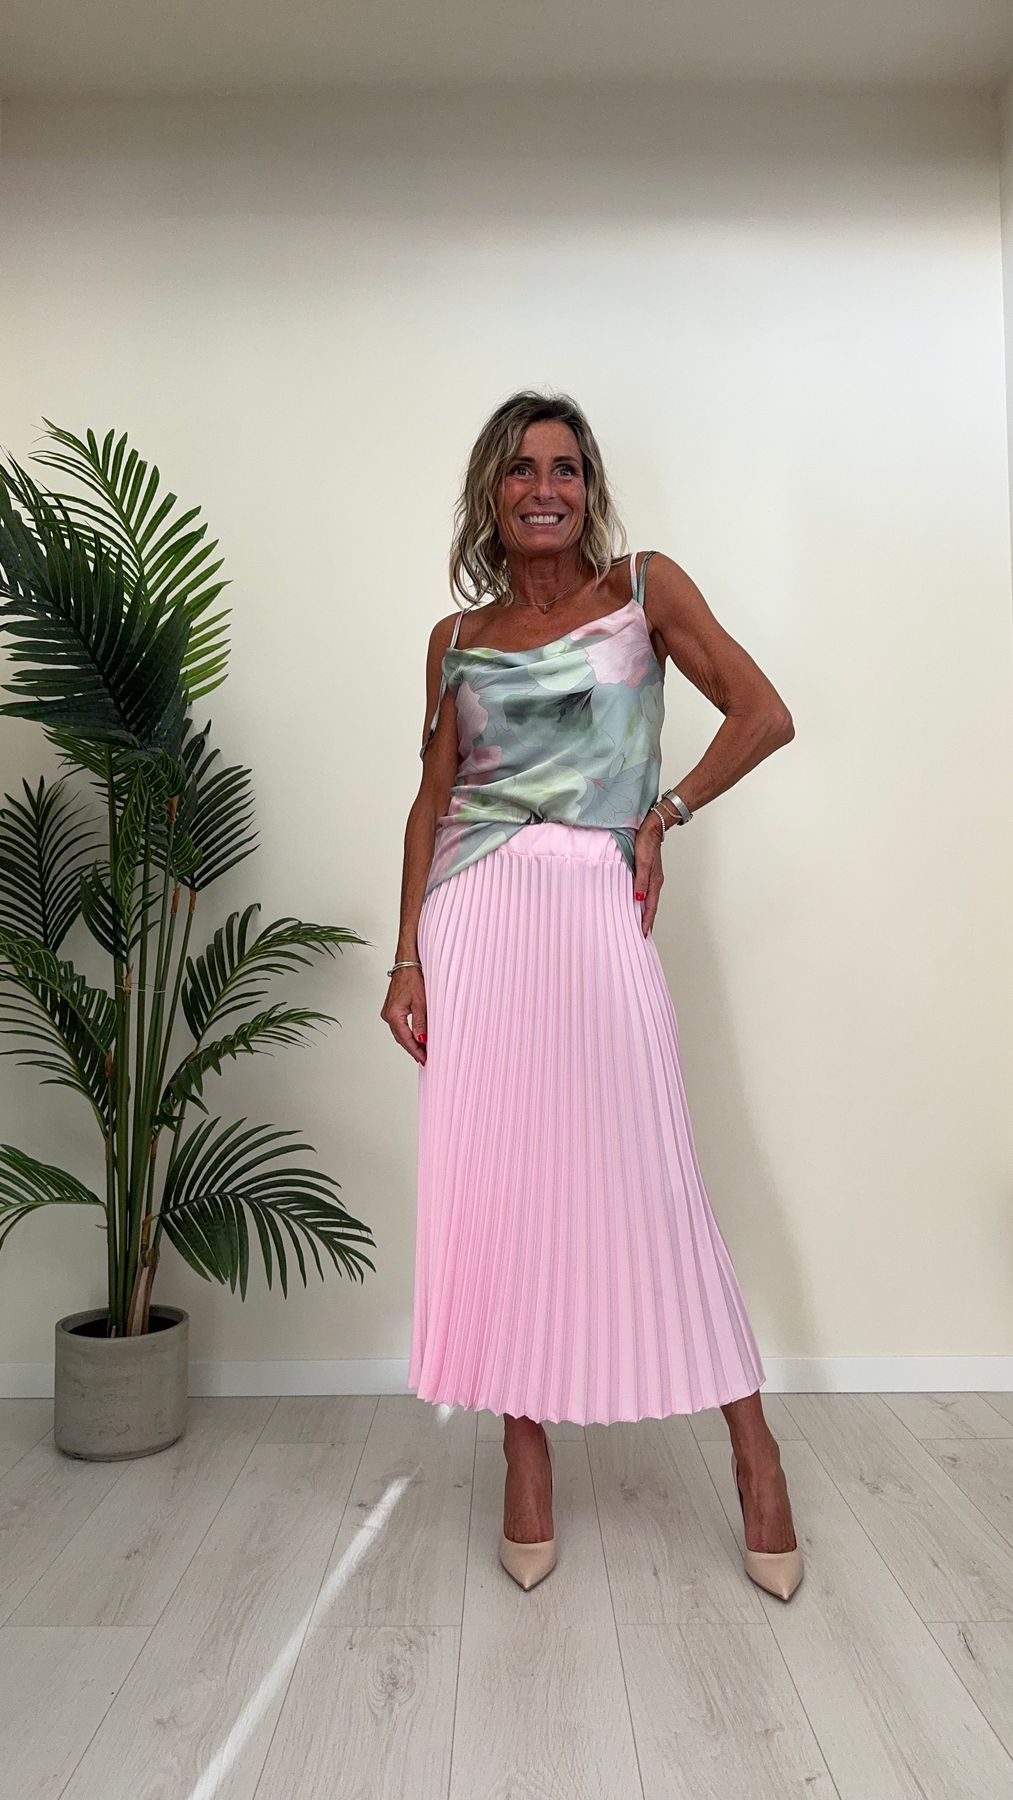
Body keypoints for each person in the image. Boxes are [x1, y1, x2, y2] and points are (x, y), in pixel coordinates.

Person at [381, 389, 803, 1600]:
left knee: (651, 1173)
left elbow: (763, 714)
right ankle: (523, 1450)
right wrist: (406, 955)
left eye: (563, 468)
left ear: (588, 488)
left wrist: (662, 813)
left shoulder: (642, 591)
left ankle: (753, 1453)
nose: (543, 488)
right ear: (491, 492)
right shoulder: (453, 638)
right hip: (474, 921)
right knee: (499, 1189)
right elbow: (432, 801)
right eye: (520, 470)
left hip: (592, 906)